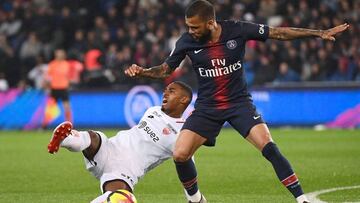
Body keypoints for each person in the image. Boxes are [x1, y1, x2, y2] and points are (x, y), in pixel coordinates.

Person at [124, 1, 349, 202]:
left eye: (195, 27)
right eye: (188, 26)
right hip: (208, 108)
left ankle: (302, 199)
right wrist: (143, 71)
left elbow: (279, 33)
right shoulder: (186, 41)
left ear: (210, 23)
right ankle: (196, 200)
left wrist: (318, 33)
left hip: (239, 103)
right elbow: (165, 69)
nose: (190, 31)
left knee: (269, 148)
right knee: (180, 154)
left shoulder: (237, 30)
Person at [47, 81, 207, 203]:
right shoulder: (153, 110)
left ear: (184, 99)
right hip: (110, 147)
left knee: (125, 198)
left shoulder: (182, 133)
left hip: (125, 169)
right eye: (165, 90)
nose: (165, 94)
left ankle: (68, 138)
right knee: (93, 137)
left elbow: (187, 167)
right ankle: (64, 139)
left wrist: (195, 197)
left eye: (171, 91)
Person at [43, 49, 72, 128]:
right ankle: (44, 125)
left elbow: (69, 76)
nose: (60, 55)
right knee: (50, 108)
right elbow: (47, 77)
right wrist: (46, 86)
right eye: (58, 53)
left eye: (61, 53)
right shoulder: (52, 64)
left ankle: (69, 126)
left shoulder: (66, 64)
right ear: (56, 55)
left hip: (64, 88)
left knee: (67, 107)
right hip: (54, 88)